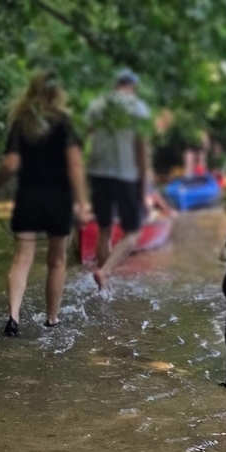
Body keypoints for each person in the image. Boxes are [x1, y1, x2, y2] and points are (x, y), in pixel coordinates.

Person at [0, 72, 91, 336]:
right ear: (57, 93)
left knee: (21, 260)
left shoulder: (21, 122)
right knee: (57, 261)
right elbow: (74, 164)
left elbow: (11, 164)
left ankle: (13, 318)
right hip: (59, 199)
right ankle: (52, 320)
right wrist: (83, 203)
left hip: (28, 197)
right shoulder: (64, 124)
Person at [85, 69, 151, 290]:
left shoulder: (97, 105)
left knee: (104, 229)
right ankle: (104, 272)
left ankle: (103, 288)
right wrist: (144, 187)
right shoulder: (138, 108)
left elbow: (85, 135)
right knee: (133, 232)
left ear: (116, 84)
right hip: (126, 176)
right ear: (133, 86)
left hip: (98, 174)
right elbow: (141, 150)